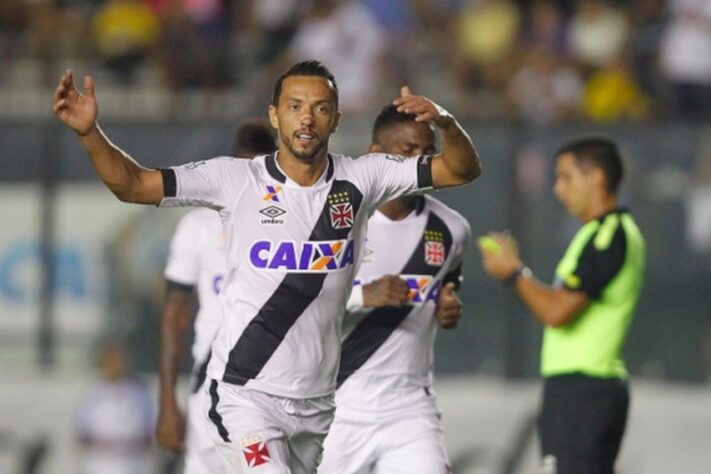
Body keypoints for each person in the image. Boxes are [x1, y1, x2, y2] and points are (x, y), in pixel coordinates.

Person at [52, 59, 482, 473]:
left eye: (320, 108)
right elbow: (133, 184)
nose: (307, 119)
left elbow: (462, 170)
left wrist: (444, 121)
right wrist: (90, 133)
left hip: (317, 402)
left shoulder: (363, 178)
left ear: (336, 119)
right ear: (275, 116)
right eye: (295, 107)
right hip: (246, 395)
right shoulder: (235, 181)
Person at [478, 137, 645, 474]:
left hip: (585, 391)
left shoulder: (608, 235)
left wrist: (513, 272)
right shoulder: (597, 233)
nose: (558, 189)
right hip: (578, 391)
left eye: (566, 177)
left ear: (596, 177)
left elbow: (556, 311)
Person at [318, 105, 471, 473]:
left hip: (409, 408)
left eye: (425, 152)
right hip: (336, 404)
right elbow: (293, 302)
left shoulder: (451, 228)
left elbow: (448, 284)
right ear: (375, 153)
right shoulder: (334, 221)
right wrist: (361, 297)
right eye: (406, 152)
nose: (417, 163)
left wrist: (449, 305)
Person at [155, 120, 276, 473]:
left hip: (275, 391)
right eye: (244, 171)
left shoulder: (300, 227)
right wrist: (166, 400)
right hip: (210, 384)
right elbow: (175, 314)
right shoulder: (198, 227)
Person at [75, 341, 155, 474]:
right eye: (111, 361)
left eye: (119, 361)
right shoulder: (91, 393)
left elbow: (150, 432)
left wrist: (128, 445)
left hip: (132, 466)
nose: (116, 365)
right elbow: (81, 433)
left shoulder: (139, 393)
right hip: (99, 467)